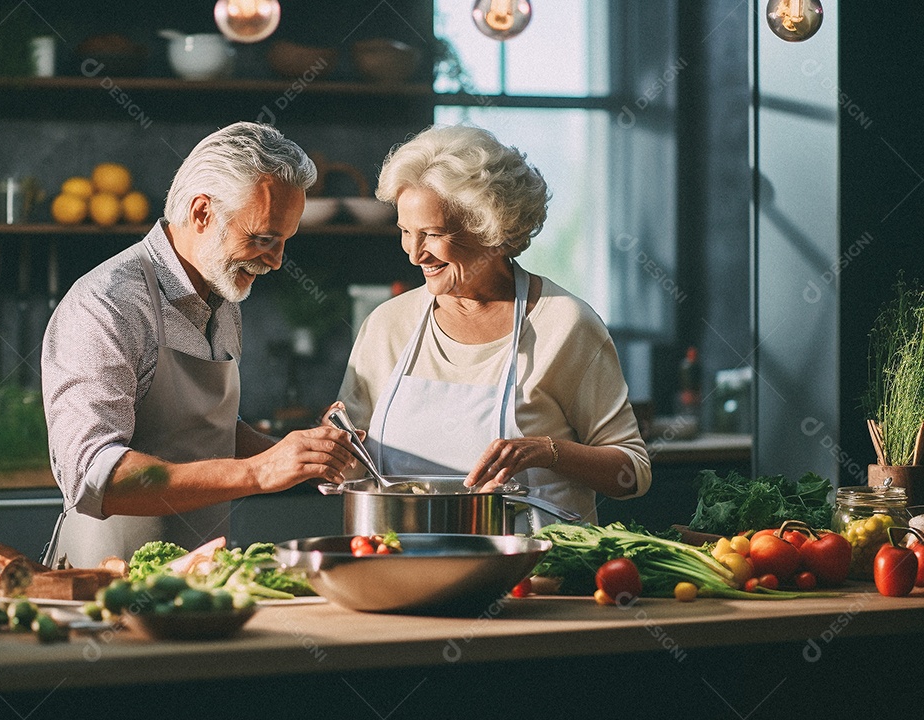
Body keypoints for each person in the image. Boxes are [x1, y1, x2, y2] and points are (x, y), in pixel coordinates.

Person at [41, 122, 355, 567]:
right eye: (263, 238)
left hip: (195, 582)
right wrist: (260, 471)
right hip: (101, 589)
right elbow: (96, 476)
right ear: (202, 212)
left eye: (284, 242)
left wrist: (301, 455)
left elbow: (210, 433)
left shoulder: (223, 291)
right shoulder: (105, 304)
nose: (277, 261)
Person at [337, 125, 650, 526]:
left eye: (432, 235)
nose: (415, 255)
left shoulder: (564, 324)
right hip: (403, 567)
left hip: (534, 575)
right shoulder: (388, 325)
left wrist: (547, 451)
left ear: (491, 229)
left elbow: (632, 473)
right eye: (405, 232)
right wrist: (336, 450)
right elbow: (352, 463)